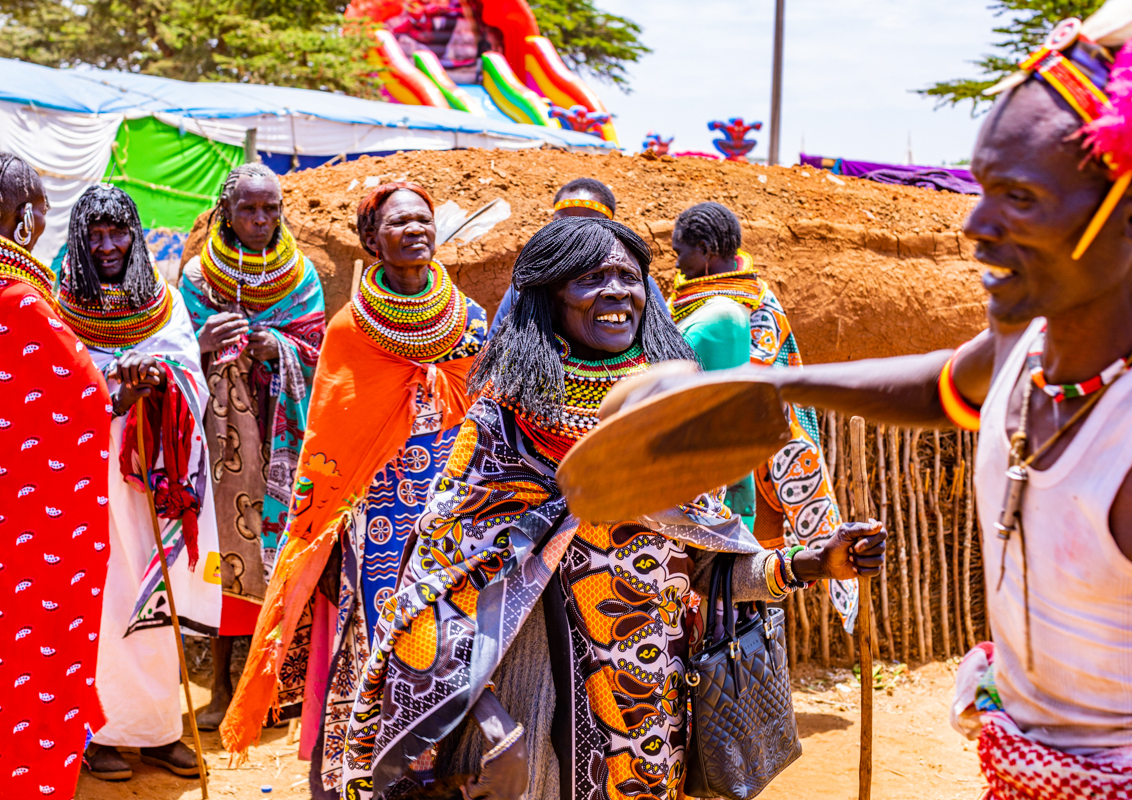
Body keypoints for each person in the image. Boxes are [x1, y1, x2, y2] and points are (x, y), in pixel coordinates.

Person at [606, 8, 1132, 796]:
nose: (976, 226)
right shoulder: (1031, 357)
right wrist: (763, 384)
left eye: (1019, 197)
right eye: (983, 188)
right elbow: (937, 385)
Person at [336, 217, 887, 800]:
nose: (617, 291)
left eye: (629, 277)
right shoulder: (501, 429)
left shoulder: (670, 423)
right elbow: (436, 594)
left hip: (649, 718)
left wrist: (812, 564)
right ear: (549, 297)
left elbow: (705, 570)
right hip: (529, 721)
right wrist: (489, 722)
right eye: (591, 278)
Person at [219, 182, 488, 797]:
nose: (416, 230)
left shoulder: (469, 320)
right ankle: (373, 770)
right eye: (399, 223)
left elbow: (488, 411)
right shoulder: (350, 329)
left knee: (451, 638)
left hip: (455, 517)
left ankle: (444, 768)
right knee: (382, 638)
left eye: (424, 218)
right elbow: (332, 438)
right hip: (378, 521)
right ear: (371, 241)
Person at [0, 152, 112, 798]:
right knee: (35, 674)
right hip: (32, 545)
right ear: (27, 220)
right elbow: (89, 402)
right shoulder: (17, 304)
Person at [58, 184, 221, 780]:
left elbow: (189, 376)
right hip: (89, 477)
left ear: (135, 234)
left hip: (154, 476)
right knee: (98, 604)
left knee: (156, 601)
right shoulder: (58, 305)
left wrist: (156, 379)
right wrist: (111, 388)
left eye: (118, 232)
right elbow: (54, 388)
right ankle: (95, 734)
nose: (108, 246)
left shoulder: (165, 302)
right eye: (95, 235)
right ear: (79, 238)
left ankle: (156, 733)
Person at [180, 163, 326, 729]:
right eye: (248, 209)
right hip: (222, 442)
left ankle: (271, 690)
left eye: (270, 208)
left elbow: (315, 348)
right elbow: (174, 348)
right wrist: (202, 340)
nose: (260, 220)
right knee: (225, 552)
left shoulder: (301, 275)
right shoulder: (198, 278)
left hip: (280, 431)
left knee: (281, 553)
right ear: (226, 211)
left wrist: (279, 348)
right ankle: (217, 687)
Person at [668, 201, 857, 626]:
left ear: (705, 249)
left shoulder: (757, 303)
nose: (678, 262)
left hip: (759, 447)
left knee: (750, 560)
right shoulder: (688, 299)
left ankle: (747, 651)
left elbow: (752, 372)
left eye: (682, 252)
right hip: (710, 439)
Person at [489, 177, 669, 333]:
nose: (573, 232)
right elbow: (495, 344)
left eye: (588, 222)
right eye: (563, 222)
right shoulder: (530, 283)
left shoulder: (635, 283)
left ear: (610, 227)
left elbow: (666, 343)